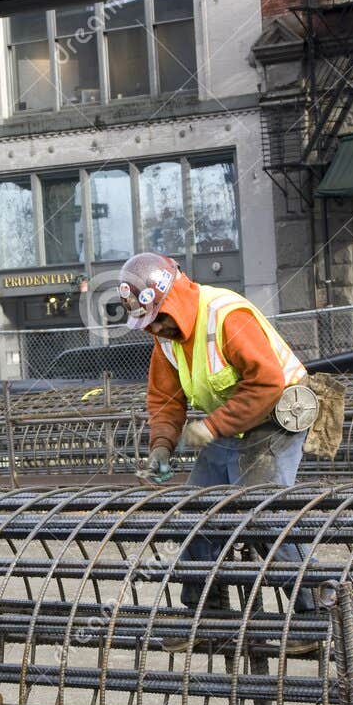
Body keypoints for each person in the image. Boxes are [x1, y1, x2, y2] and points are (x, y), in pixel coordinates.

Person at [121, 252, 313, 637]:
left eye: (159, 318)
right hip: (228, 426)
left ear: (172, 299)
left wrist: (211, 427)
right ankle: (208, 613)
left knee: (261, 513)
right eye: (149, 324)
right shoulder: (166, 340)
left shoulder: (226, 315)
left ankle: (316, 615)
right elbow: (165, 399)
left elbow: (266, 383)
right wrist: (162, 446)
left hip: (275, 418)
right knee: (195, 511)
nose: (156, 329)